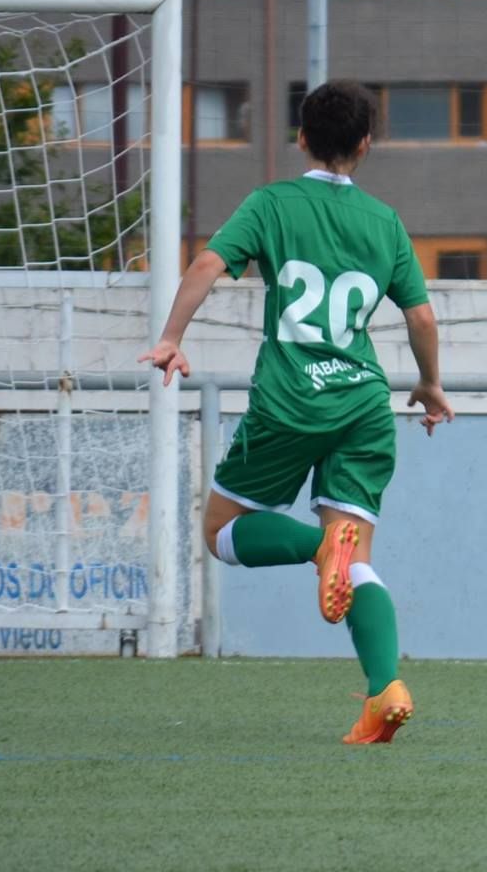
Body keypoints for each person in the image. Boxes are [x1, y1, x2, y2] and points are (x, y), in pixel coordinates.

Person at [139, 81, 452, 744]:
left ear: (301, 138)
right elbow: (420, 315)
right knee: (359, 557)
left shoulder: (272, 203)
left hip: (290, 400)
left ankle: (317, 552)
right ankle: (384, 688)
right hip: (364, 402)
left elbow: (206, 264)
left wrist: (171, 337)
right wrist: (429, 384)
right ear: (366, 145)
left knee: (221, 533)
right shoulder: (385, 221)